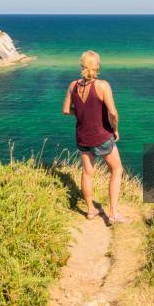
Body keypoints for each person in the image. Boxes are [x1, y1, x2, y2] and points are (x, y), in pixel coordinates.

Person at [62, 50, 128, 223]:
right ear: (97, 66)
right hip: (101, 136)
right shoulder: (102, 85)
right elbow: (113, 113)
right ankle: (113, 214)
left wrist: (81, 112)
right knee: (117, 170)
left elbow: (66, 110)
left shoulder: (73, 85)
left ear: (82, 66)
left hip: (83, 137)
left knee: (87, 172)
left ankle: (91, 210)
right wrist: (115, 129)